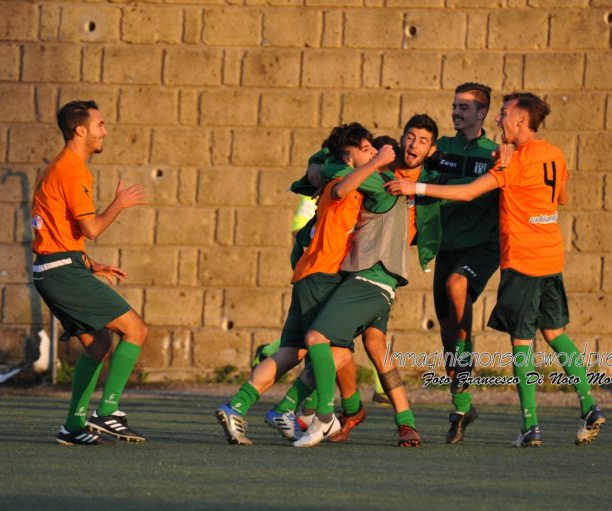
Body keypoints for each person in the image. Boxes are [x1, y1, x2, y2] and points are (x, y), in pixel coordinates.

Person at [385, 92, 606, 447]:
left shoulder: (512, 161)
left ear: (520, 121)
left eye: (504, 114)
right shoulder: (554, 153)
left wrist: (417, 187)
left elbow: (471, 192)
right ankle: (589, 405)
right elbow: (561, 197)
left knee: (521, 343)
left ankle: (530, 426)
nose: (500, 119)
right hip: (551, 258)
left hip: (522, 259)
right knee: (555, 333)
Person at [214, 123, 395, 445]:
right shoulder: (342, 177)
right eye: (365, 149)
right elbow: (339, 190)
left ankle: (236, 406)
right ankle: (322, 416)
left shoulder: (345, 175)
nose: (372, 152)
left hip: (308, 275)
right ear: (348, 157)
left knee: (290, 352)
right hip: (322, 275)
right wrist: (377, 162)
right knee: (334, 350)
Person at [293, 115, 442, 448]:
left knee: (324, 340)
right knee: (371, 345)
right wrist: (317, 165)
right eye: (409, 137)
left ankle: (308, 409)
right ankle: (401, 421)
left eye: (422, 140)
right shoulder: (380, 168)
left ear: (431, 149)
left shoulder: (424, 177)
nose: (413, 144)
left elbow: (465, 185)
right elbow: (335, 160)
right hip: (366, 271)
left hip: (375, 273)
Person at [31, 100, 148, 445]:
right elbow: (92, 228)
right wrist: (119, 204)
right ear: (80, 130)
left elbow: (59, 232)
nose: (105, 131)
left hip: (55, 268)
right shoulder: (71, 170)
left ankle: (73, 425)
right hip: (60, 271)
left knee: (98, 344)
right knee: (136, 330)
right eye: (100, 125)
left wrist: (88, 263)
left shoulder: (60, 167)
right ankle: (108, 413)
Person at [424, 83, 500, 444]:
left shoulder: (496, 153)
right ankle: (462, 408)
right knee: (447, 333)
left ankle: (467, 343)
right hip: (447, 246)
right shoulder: (441, 150)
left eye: (465, 107)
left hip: (482, 246)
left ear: (482, 113)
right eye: (455, 106)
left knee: (458, 286)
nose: (457, 112)